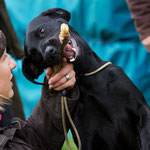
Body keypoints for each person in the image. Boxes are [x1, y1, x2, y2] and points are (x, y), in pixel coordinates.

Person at [0, 30, 78, 149]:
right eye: (4, 57)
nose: (13, 64)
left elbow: (34, 139)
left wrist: (57, 86)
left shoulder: (3, 121)